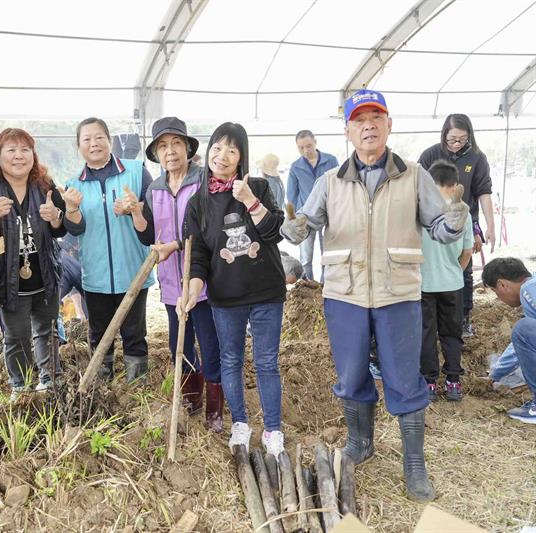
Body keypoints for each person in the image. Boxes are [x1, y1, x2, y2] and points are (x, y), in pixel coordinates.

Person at [281, 90, 469, 501]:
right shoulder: (329, 181)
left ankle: (414, 464)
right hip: (345, 293)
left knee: (404, 377)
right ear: (348, 131)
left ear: (389, 125)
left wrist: (455, 220)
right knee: (350, 374)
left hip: (397, 293)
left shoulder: (414, 174)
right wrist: (293, 230)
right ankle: (361, 442)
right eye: (359, 119)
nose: (368, 125)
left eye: (376, 117)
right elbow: (305, 224)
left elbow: (439, 227)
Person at [183, 122, 287, 455]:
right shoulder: (198, 202)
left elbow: (273, 233)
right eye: (216, 147)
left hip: (266, 292)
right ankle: (240, 423)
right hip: (225, 298)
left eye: (231, 149)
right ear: (208, 150)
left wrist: (250, 201)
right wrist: (192, 288)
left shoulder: (257, 185)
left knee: (267, 362)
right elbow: (197, 256)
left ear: (241, 155)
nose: (222, 155)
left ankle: (273, 430)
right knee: (230, 361)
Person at [131, 116, 223, 431]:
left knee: (210, 345)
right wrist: (135, 214)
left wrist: (174, 245)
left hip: (203, 281)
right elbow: (148, 235)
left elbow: (210, 231)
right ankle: (191, 397)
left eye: (176, 144)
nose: (169, 151)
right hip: (171, 282)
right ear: (156, 153)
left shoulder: (204, 181)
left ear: (187, 148)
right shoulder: (154, 188)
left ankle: (215, 409)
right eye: (162, 146)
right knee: (177, 345)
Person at [62, 117, 155, 383]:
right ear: (78, 146)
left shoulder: (137, 171)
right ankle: (102, 388)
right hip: (96, 275)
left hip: (133, 272)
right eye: (87, 139)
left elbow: (151, 222)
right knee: (99, 334)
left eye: (99, 137)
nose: (94, 143)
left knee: (135, 333)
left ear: (110, 140)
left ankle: (138, 389)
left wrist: (135, 207)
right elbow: (74, 230)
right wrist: (71, 208)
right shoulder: (73, 185)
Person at [0, 128, 67, 400]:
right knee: (15, 335)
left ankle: (50, 381)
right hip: (8, 278)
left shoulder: (46, 186)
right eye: (11, 150)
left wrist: (55, 216)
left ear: (33, 154)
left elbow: (60, 230)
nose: (19, 156)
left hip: (44, 274)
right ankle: (21, 386)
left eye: (25, 150)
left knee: (47, 330)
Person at [419, 114, 494, 337]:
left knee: (465, 271)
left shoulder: (477, 158)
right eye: (452, 139)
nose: (457, 144)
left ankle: (463, 317)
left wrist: (488, 226)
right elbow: (417, 186)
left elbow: (484, 193)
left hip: (464, 220)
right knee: (429, 269)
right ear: (444, 135)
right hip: (431, 221)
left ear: (469, 135)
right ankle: (429, 320)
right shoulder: (431, 154)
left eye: (462, 139)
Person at [419, 160, 473, 402]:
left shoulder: (420, 211)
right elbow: (467, 252)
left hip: (423, 285)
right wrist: (454, 272)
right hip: (452, 284)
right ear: (455, 186)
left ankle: (429, 382)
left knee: (425, 334)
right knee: (452, 334)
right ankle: (453, 381)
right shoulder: (462, 213)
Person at [482, 258, 536, 424]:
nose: (499, 298)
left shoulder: (529, 290)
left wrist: (494, 375)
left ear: (502, 284)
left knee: (522, 329)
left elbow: (521, 340)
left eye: (495, 292)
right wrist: (496, 374)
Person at [286, 130, 339, 281]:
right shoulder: (295, 167)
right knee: (306, 257)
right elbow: (292, 195)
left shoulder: (331, 161)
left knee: (328, 254)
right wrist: (294, 219)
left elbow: (340, 186)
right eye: (301, 148)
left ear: (315, 141)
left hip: (329, 215)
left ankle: (325, 286)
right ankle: (307, 288)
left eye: (308, 146)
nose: (306, 150)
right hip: (305, 218)